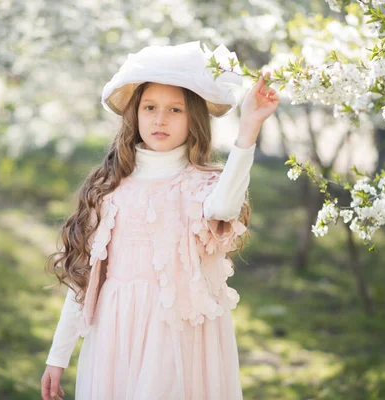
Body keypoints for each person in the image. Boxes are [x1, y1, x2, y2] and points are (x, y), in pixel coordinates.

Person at [40, 41, 279, 400]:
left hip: (178, 333)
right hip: (116, 333)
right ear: (135, 114)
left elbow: (225, 207)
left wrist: (249, 126)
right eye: (150, 107)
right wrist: (57, 357)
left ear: (193, 119)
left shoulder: (203, 186)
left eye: (175, 110)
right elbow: (85, 281)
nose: (160, 119)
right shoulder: (110, 188)